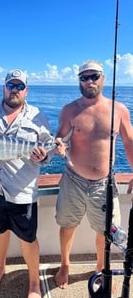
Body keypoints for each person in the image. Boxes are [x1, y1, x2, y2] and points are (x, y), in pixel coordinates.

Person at [0, 69, 65, 298]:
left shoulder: (37, 115)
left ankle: (34, 282)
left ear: (26, 90)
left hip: (22, 190)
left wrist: (44, 156)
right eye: (10, 85)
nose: (14, 90)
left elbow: (48, 147)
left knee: (28, 238)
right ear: (4, 87)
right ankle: (0, 267)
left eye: (19, 86)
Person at [54, 60, 133, 289]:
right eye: (84, 77)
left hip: (104, 184)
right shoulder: (70, 109)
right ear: (78, 81)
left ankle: (101, 268)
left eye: (94, 76)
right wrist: (58, 144)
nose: (89, 81)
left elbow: (129, 142)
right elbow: (60, 136)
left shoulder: (119, 110)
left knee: (106, 230)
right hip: (73, 179)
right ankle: (65, 264)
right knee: (67, 224)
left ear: (103, 78)